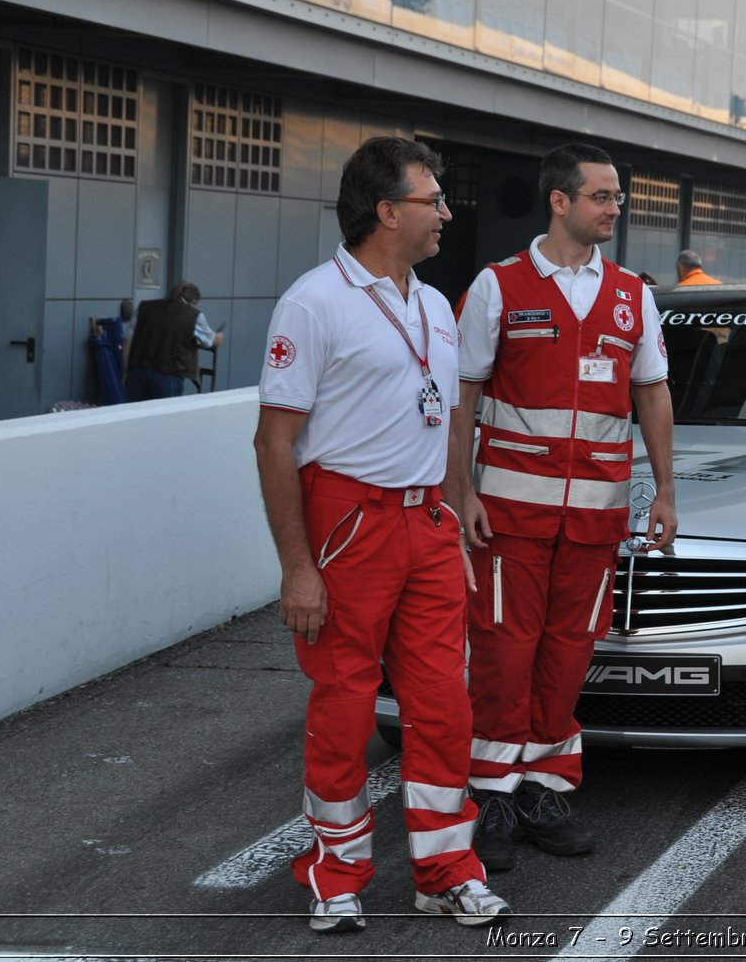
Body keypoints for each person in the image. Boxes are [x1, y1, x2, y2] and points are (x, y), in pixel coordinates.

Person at [253, 136, 508, 932]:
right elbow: (274, 442)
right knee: (344, 704)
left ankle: (445, 869)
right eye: (433, 200)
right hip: (347, 521)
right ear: (387, 210)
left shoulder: (433, 301)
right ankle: (337, 873)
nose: (446, 213)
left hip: (425, 520)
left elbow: (446, 415)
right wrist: (298, 566)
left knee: (443, 703)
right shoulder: (313, 301)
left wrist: (456, 504)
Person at [449, 143, 677, 871]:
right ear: (559, 200)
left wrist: (666, 488)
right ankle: (489, 793)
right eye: (601, 196)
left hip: (596, 517)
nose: (614, 209)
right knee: (502, 655)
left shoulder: (632, 293)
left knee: (567, 655)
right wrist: (460, 491)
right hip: (510, 514)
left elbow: (652, 393)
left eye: (617, 198)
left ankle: (545, 787)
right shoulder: (498, 286)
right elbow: (465, 392)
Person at [123, 282, 222, 400]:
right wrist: (219, 336)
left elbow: (127, 342)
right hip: (168, 376)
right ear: (193, 302)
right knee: (165, 416)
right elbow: (211, 341)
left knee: (135, 415)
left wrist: (125, 371)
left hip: (137, 373)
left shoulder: (144, 307)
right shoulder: (194, 315)